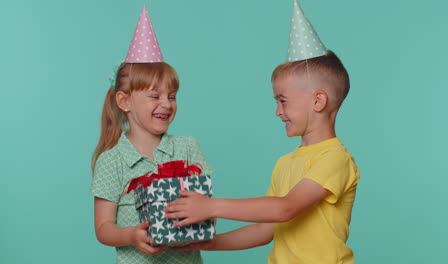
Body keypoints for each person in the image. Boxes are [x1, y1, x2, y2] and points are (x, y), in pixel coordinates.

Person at [164, 1, 360, 263]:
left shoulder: (335, 159)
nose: (278, 112)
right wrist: (206, 244)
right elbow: (264, 229)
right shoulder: (285, 164)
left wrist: (211, 206)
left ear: (318, 101)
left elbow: (285, 209)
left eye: (283, 100)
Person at [90, 6, 212, 264]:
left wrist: (204, 218)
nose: (166, 104)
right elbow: (103, 228)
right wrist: (131, 235)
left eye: (172, 96)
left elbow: (206, 206)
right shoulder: (112, 161)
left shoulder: (187, 147)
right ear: (124, 101)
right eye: (154, 97)